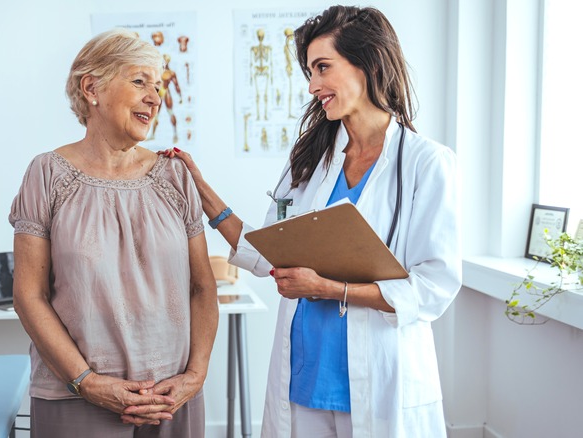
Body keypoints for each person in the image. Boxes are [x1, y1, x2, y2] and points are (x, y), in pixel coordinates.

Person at [156, 5, 461, 437]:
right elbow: (266, 252)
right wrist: (201, 190)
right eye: (309, 71)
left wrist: (328, 289)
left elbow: (434, 286)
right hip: (305, 374)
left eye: (322, 68)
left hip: (380, 379)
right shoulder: (311, 156)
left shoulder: (426, 163)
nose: (313, 85)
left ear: (368, 62)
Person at [8, 28, 219, 438]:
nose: (154, 97)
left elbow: (202, 288)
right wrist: (86, 381)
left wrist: (195, 375)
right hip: (75, 397)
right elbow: (28, 296)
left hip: (171, 400)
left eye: (157, 87)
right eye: (139, 81)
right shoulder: (47, 174)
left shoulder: (175, 175)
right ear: (92, 88)